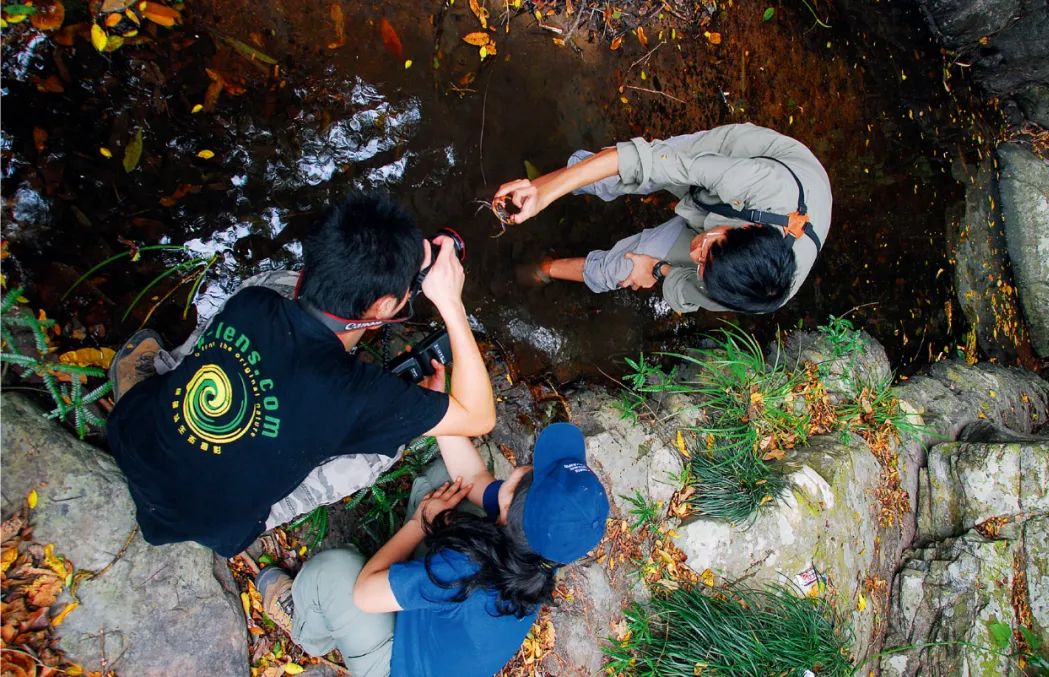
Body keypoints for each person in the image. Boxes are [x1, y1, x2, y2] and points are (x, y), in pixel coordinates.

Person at [105, 193, 496, 557]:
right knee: (385, 447)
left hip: (133, 436)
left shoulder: (254, 302)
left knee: (259, 301)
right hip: (218, 526)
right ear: (384, 307)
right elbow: (479, 416)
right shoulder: (357, 398)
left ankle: (153, 371)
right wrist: (451, 304)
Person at [254, 422, 609, 677]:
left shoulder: (465, 571)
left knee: (334, 571)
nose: (525, 466)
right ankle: (410, 568)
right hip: (443, 630)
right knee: (448, 480)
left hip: (397, 666)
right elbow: (473, 479)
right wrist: (439, 411)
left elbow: (364, 593)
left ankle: (307, 631)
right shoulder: (542, 549)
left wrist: (420, 523)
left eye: (531, 472)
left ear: (509, 506)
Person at [493, 123, 832, 314]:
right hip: (736, 160)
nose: (696, 253)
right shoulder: (758, 182)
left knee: (622, 268)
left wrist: (656, 269)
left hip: (731, 218)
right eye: (708, 250)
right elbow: (645, 162)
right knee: (619, 172)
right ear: (750, 228)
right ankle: (544, 186)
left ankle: (546, 268)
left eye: (701, 266)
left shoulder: (751, 294)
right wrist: (544, 192)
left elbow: (690, 287)